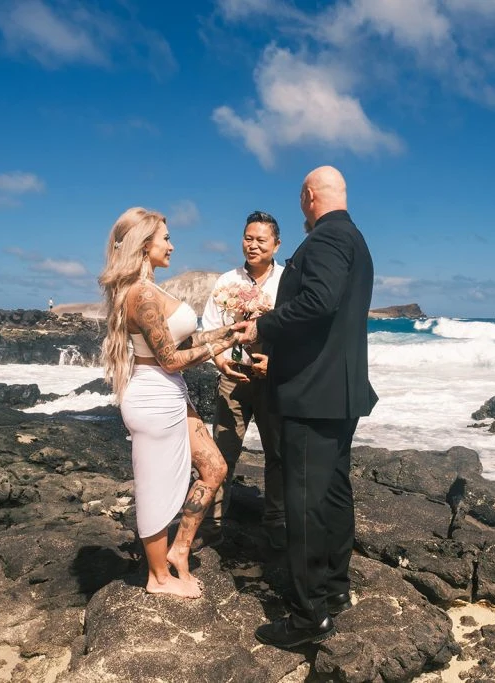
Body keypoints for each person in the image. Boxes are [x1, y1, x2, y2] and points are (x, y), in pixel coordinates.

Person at [239, 166, 378, 648]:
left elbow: (318, 302)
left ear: (308, 196)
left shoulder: (322, 241)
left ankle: (306, 616)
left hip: (311, 395)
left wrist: (266, 326)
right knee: (334, 494)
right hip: (340, 393)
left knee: (302, 504)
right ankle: (335, 590)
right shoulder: (355, 239)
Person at [98, 206, 239, 599]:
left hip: (171, 391)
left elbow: (180, 342)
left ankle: (179, 551)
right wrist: (222, 345)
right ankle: (158, 578)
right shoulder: (141, 294)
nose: (172, 246)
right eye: (166, 238)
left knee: (214, 467)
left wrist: (231, 329)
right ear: (145, 245)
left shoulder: (152, 288)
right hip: (154, 397)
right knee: (156, 489)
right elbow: (170, 358)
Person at [200, 211, 285, 548]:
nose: (252, 245)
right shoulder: (226, 280)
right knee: (221, 452)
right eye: (248, 238)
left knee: (277, 453)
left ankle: (277, 523)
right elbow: (209, 328)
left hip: (273, 378)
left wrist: (276, 363)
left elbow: (297, 327)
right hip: (232, 378)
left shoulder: (287, 281)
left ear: (276, 245)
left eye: (260, 240)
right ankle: (212, 523)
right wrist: (219, 359)